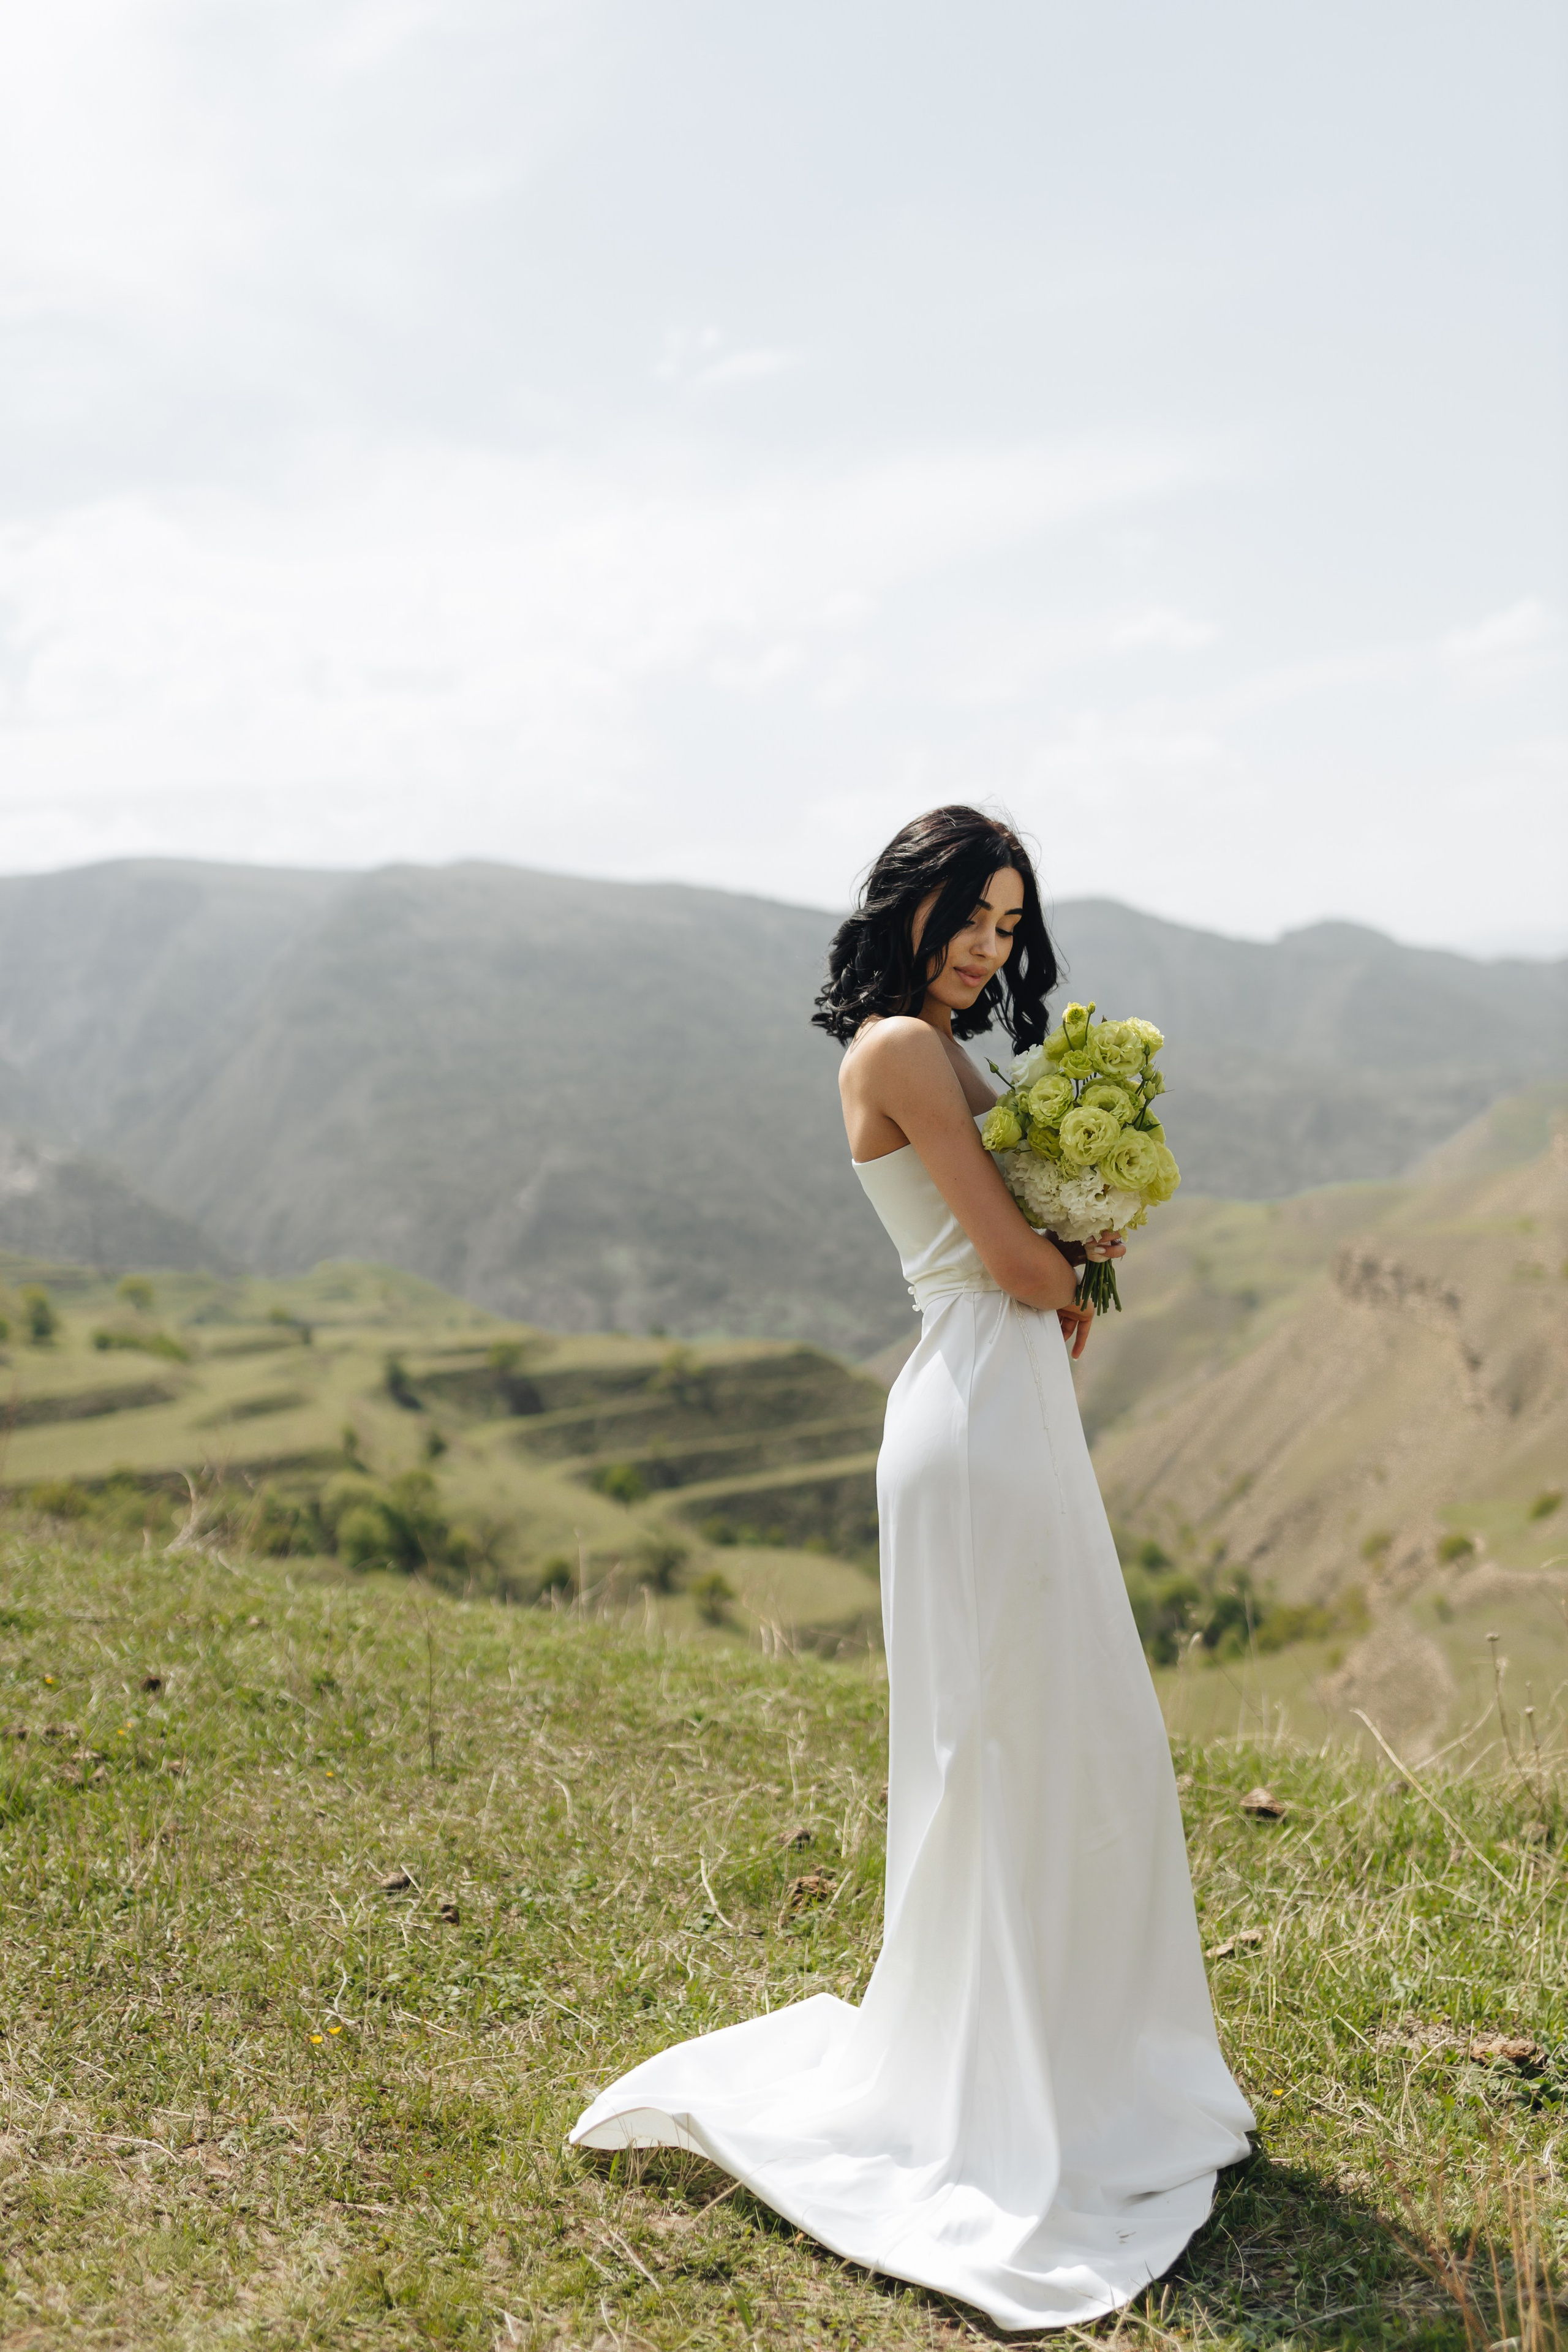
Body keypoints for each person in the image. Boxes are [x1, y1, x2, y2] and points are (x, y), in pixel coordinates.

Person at [570, 806, 1254, 2332]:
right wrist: (1073, 1262)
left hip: (1003, 1402)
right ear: (907, 901)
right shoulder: (891, 1050)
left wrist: (1068, 1258)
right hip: (970, 1416)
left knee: (1074, 1741)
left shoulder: (946, 1050)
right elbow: (1008, 1263)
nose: (984, 946)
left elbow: (1023, 1257)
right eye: (965, 912)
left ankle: (1069, 2063)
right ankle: (990, 2092)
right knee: (998, 1753)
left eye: (1007, 926)